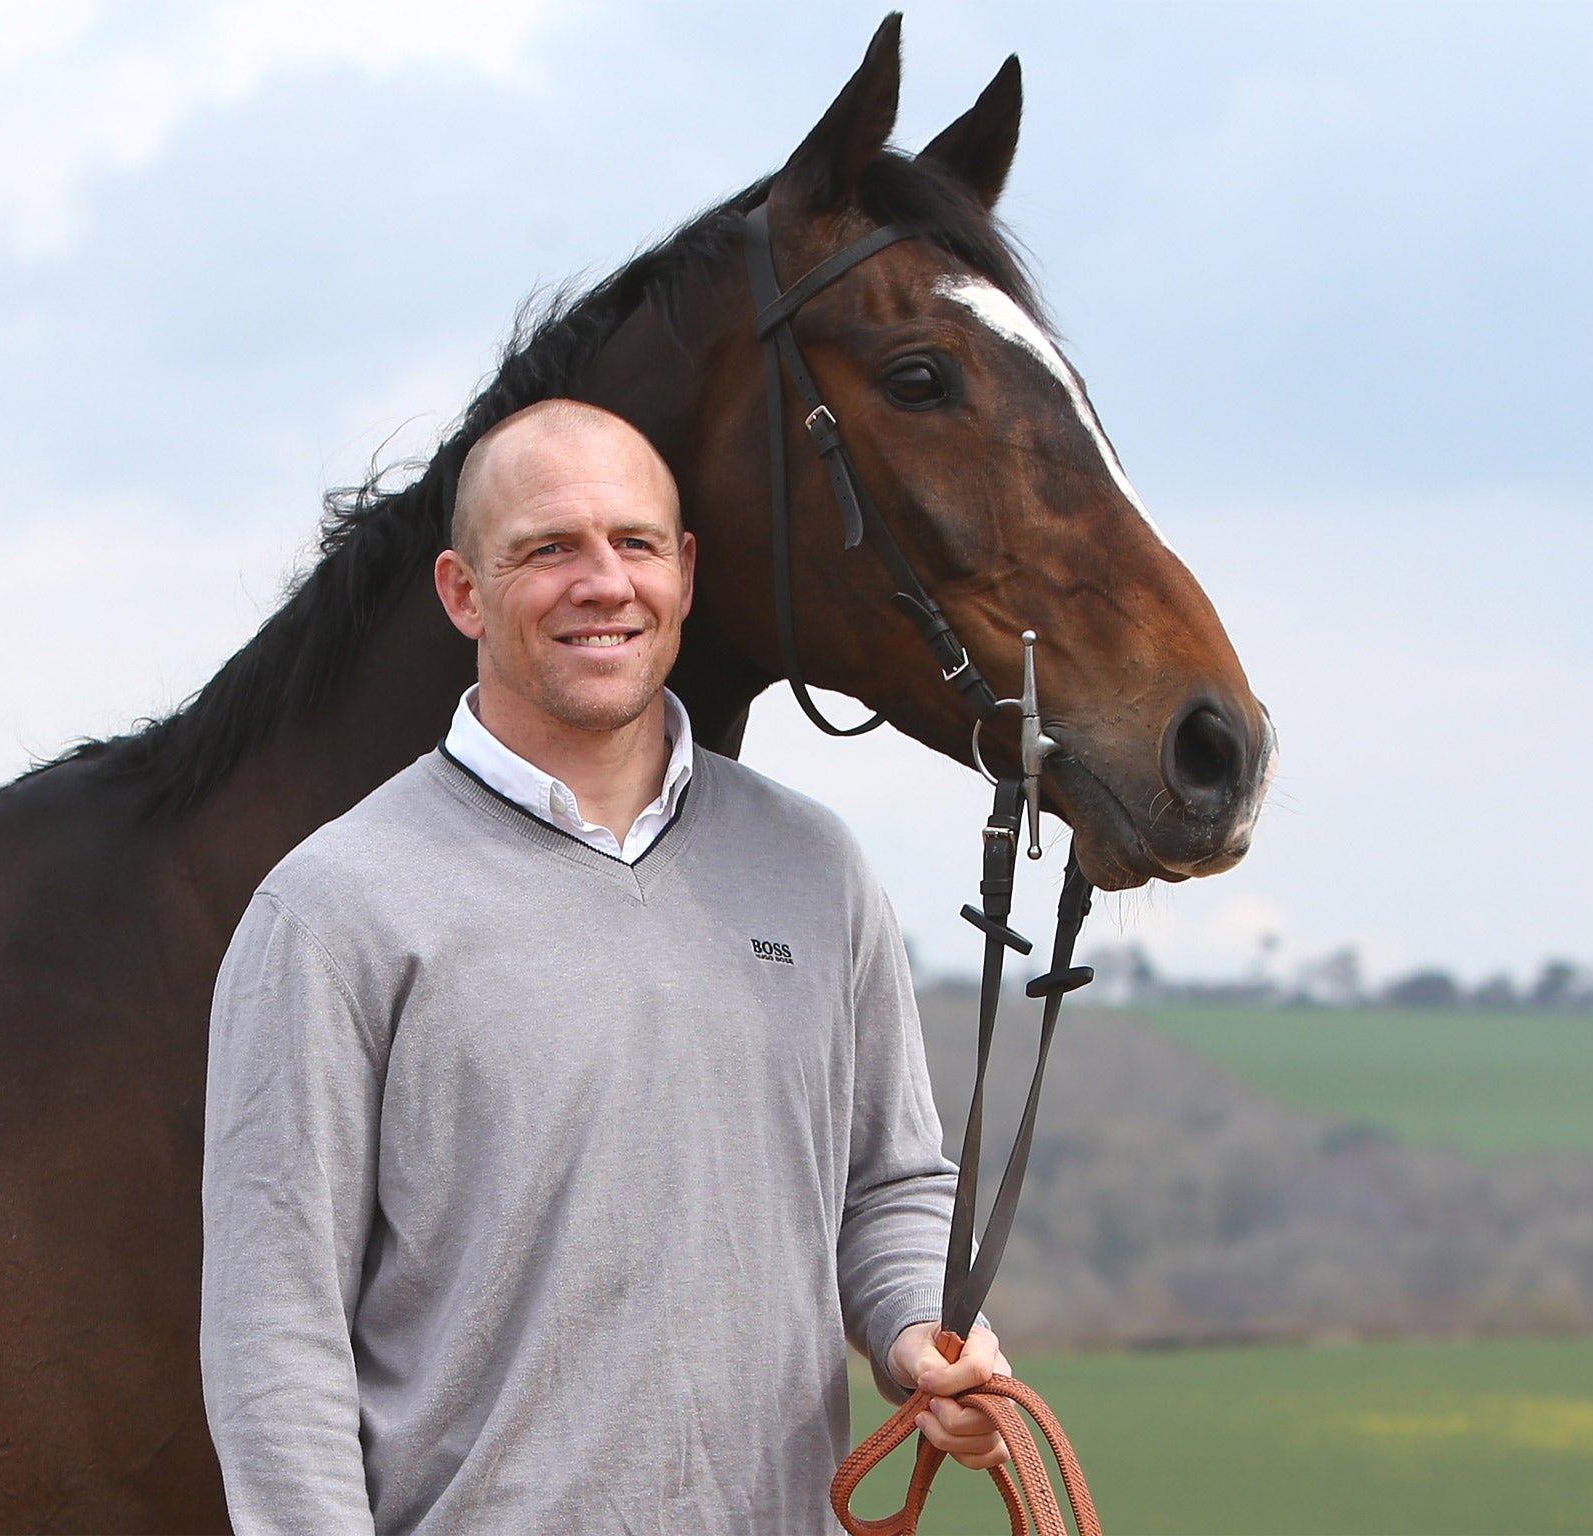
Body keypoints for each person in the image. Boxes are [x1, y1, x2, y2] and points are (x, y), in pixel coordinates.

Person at [199, 399, 1009, 1534]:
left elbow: (888, 1184)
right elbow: (273, 1332)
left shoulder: (811, 868)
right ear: (461, 592)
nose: (602, 583)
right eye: (546, 549)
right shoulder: (333, 907)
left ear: (681, 573)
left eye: (633, 544)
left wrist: (923, 1328)